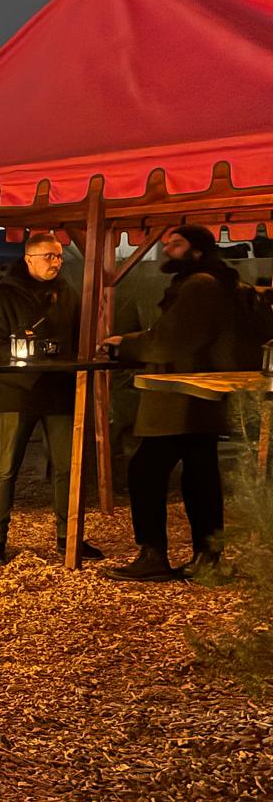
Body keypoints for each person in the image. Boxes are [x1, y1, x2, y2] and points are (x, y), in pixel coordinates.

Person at [103, 225, 267, 580]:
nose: (166, 249)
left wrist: (125, 345)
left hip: (183, 393)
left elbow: (171, 340)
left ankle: (154, 557)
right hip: (202, 393)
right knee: (200, 473)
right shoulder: (217, 283)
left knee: (146, 469)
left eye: (175, 244)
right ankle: (207, 558)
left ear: (196, 249)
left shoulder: (199, 285)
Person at [0, 232, 99, 564]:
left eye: (59, 256)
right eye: (49, 256)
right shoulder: (2, 296)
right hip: (17, 391)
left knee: (67, 467)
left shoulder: (67, 293)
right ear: (29, 258)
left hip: (60, 389)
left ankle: (69, 536)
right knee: (5, 467)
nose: (56, 262)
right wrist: (31, 354)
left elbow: (79, 337)